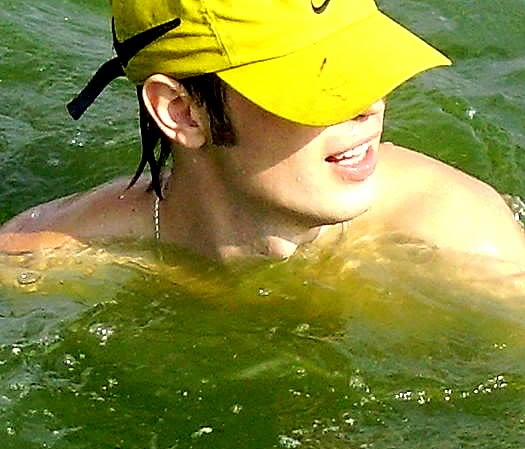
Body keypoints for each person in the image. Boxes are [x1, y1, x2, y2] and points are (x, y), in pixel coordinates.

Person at [0, 0, 524, 280]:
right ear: (182, 112)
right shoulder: (42, 259)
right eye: (319, 83)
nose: (370, 104)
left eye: (367, 66)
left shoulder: (462, 239)